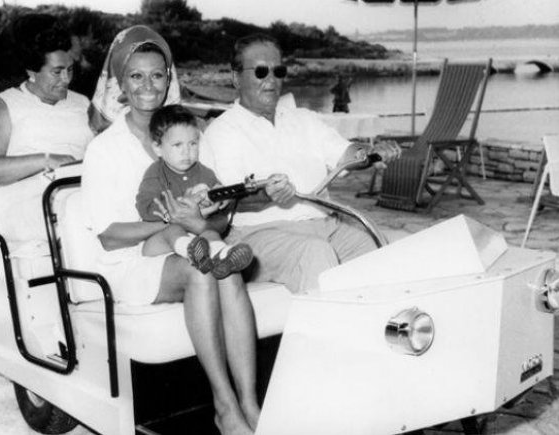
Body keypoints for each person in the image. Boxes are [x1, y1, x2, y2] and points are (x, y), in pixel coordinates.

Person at [81, 26, 259, 435]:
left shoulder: (192, 136)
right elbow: (107, 236)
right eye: (136, 75)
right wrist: (170, 222)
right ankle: (225, 406)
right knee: (201, 268)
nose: (148, 85)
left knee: (226, 269)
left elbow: (220, 219)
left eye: (157, 75)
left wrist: (204, 220)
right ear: (121, 82)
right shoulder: (104, 149)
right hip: (128, 262)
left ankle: (250, 403)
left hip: (191, 242)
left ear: (169, 79)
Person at [202, 33, 401, 294]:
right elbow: (230, 199)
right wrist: (268, 195)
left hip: (326, 225)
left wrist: (372, 152)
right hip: (257, 233)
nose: (271, 80)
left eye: (278, 71)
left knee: (375, 247)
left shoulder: (304, 119)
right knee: (314, 253)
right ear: (236, 78)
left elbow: (346, 153)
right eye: (260, 72)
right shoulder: (222, 131)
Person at [0, 14, 94, 245]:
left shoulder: (82, 103)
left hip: (76, 197)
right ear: (31, 72)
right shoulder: (5, 105)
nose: (66, 79)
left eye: (70, 69)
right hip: (27, 210)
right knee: (81, 216)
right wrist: (47, 160)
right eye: (57, 72)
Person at [136, 104, 254, 279]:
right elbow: (145, 206)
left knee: (211, 233)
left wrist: (220, 198)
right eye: (177, 145)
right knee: (174, 230)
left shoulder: (204, 172)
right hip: (159, 240)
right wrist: (176, 209)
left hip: (197, 237)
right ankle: (193, 252)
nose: (187, 152)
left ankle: (223, 258)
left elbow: (218, 194)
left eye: (193, 143)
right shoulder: (155, 173)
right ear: (158, 148)